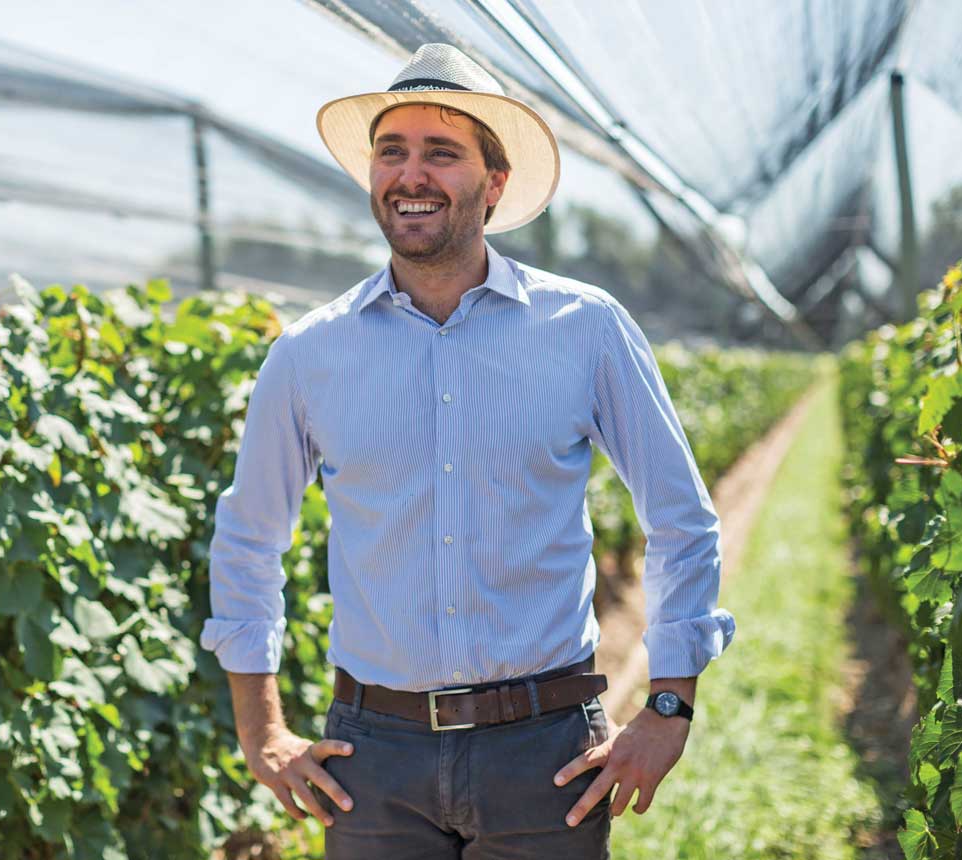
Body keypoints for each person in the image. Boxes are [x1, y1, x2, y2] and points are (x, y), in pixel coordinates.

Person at [198, 42, 735, 858]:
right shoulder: (309, 354)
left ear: (494, 184)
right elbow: (247, 539)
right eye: (392, 152)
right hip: (372, 759)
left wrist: (669, 708)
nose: (410, 176)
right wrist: (261, 729)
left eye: (441, 153)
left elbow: (680, 519)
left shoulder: (585, 329)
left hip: (546, 752)